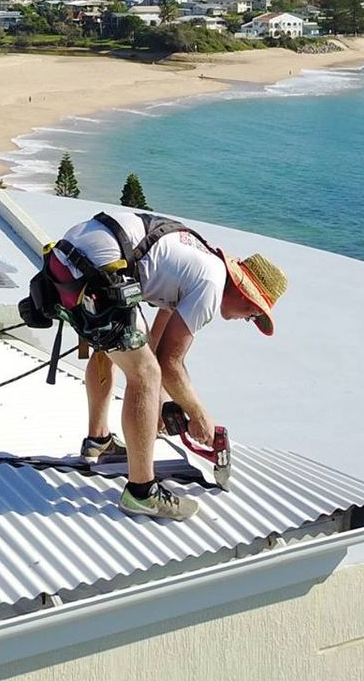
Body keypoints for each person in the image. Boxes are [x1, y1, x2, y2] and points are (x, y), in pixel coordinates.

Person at [40, 209, 286, 521]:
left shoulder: (198, 260)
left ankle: (98, 441)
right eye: (252, 314)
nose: (247, 319)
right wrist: (200, 417)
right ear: (246, 298)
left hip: (66, 260)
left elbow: (153, 346)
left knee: (116, 346)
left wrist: (162, 404)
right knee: (144, 374)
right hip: (93, 271)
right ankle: (141, 492)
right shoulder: (210, 286)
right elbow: (168, 364)